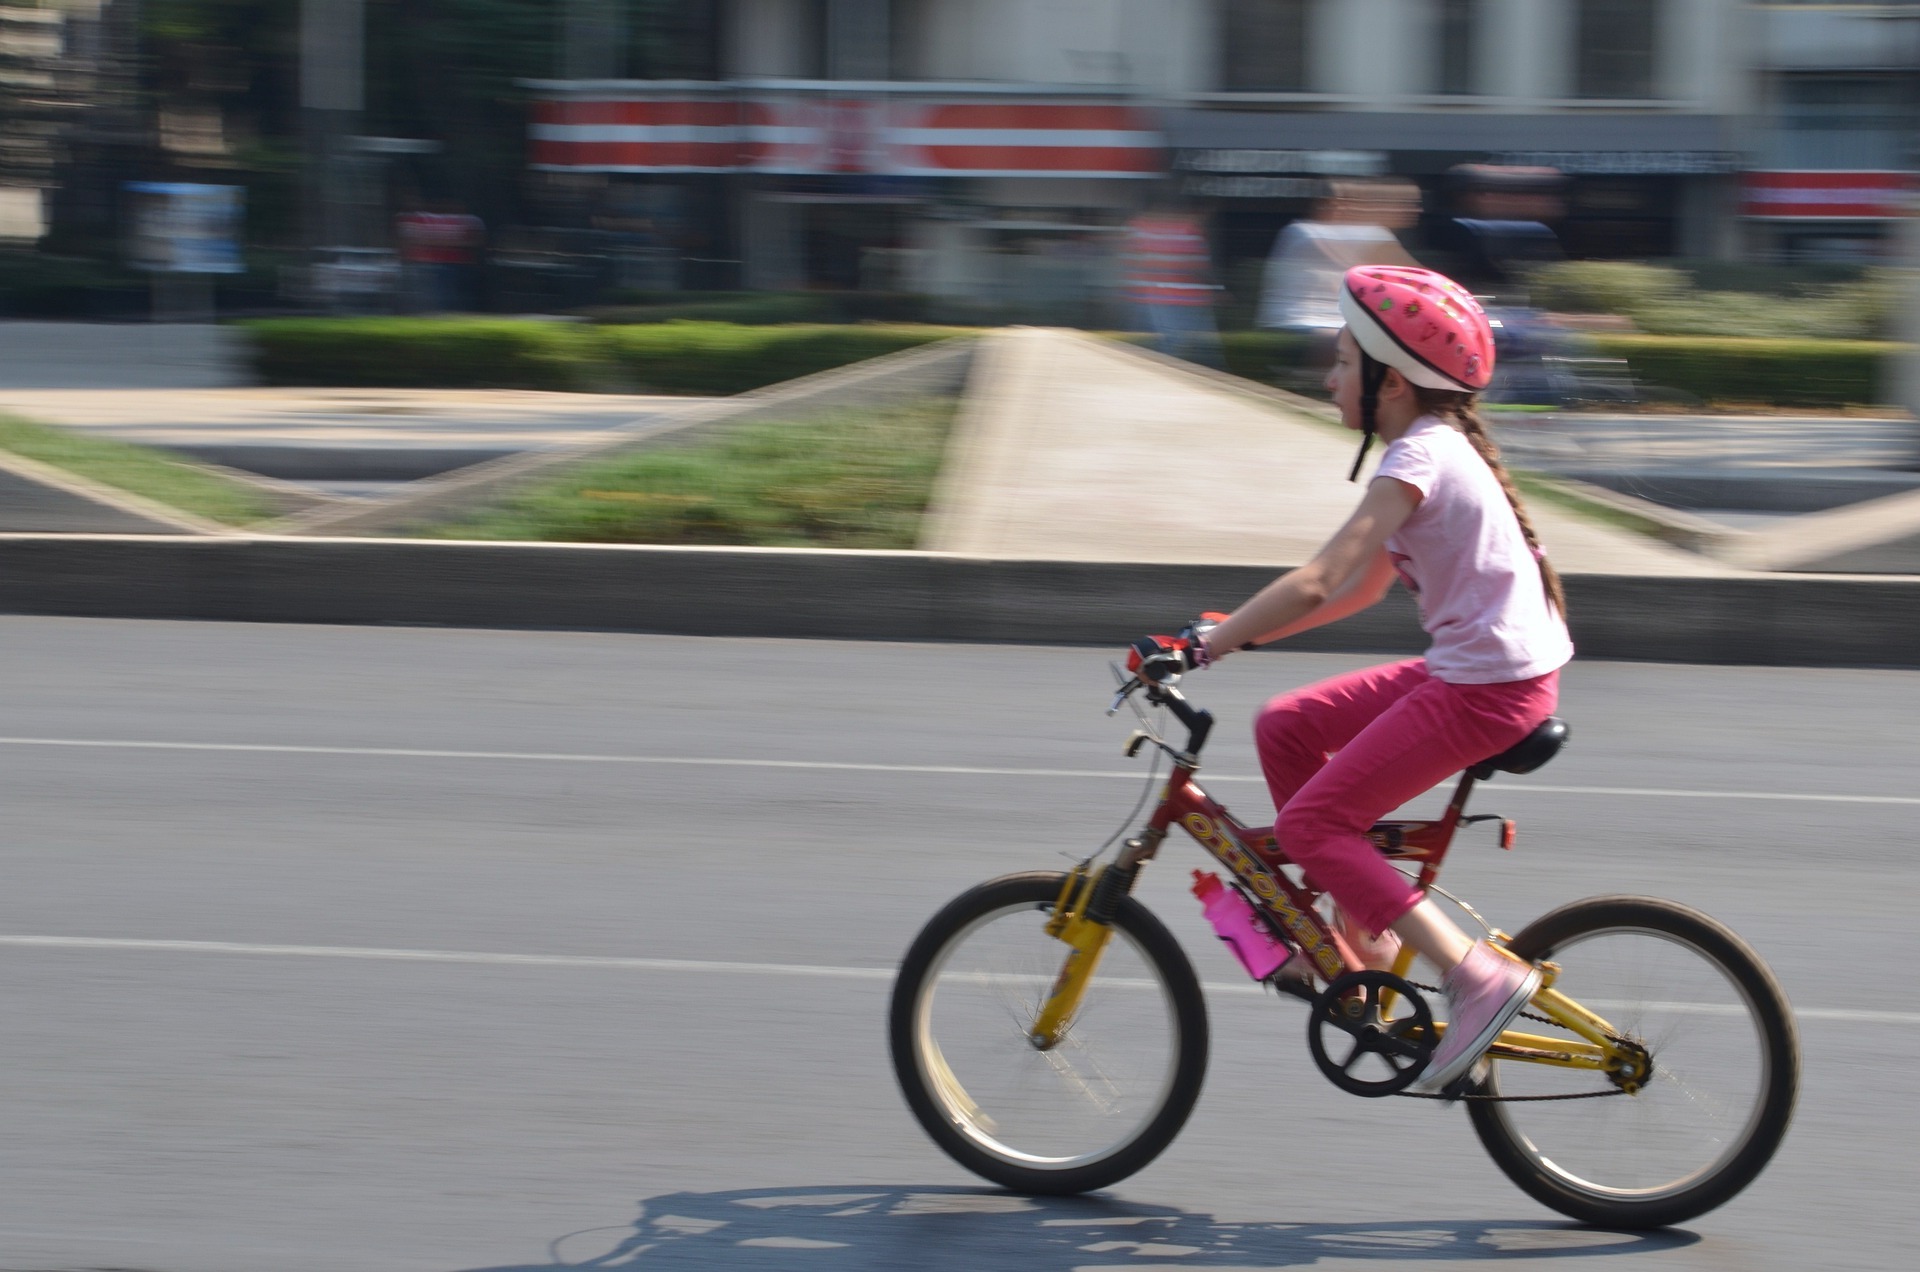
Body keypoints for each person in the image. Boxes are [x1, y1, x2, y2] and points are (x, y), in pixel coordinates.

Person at [1146, 264, 1573, 1093]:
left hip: (1490, 688)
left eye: (1344, 361)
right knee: (1286, 725)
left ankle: (1476, 977)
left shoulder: (1420, 456)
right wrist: (1231, 637)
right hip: (1481, 670)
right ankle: (1363, 940)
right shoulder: (1429, 448)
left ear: (1394, 381)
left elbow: (1320, 575)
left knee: (1308, 830)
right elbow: (1363, 587)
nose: (1331, 375)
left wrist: (1205, 650)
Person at [1121, 201, 1224, 368]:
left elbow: (1126, 263)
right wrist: (1219, 290)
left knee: (1147, 353)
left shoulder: (1135, 228)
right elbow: (1199, 268)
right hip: (1186, 303)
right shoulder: (1189, 231)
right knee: (1206, 354)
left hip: (1145, 299)